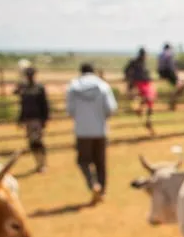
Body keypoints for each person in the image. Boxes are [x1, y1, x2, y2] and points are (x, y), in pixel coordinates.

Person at [65, 63, 117, 204]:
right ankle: (102, 190)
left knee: (83, 161)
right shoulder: (103, 86)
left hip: (82, 131)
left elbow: (70, 110)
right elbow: (111, 108)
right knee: (100, 162)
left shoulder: (73, 87)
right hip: (100, 130)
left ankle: (93, 184)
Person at [15, 65, 50, 173]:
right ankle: (38, 163)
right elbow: (22, 104)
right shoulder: (24, 88)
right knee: (31, 142)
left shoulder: (39, 88)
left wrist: (44, 119)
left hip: (37, 119)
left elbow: (44, 104)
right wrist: (21, 118)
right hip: (28, 119)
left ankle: (43, 163)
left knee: (38, 141)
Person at [124, 48, 155, 133]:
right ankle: (141, 112)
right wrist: (130, 82)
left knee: (150, 100)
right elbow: (127, 71)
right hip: (140, 83)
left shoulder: (143, 63)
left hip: (146, 83)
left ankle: (146, 118)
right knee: (148, 98)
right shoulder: (134, 62)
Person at [157, 43, 184, 110]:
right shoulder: (169, 54)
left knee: (178, 83)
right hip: (169, 73)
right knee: (180, 83)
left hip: (161, 73)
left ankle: (173, 99)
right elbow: (171, 66)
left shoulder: (160, 54)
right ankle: (173, 100)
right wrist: (175, 73)